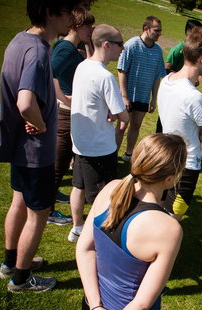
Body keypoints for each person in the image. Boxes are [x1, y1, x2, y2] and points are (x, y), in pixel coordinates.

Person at [64, 133, 186, 310]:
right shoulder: (168, 229)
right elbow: (142, 302)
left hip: (94, 303)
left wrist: (96, 307)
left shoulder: (111, 188)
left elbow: (85, 248)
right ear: (170, 179)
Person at [0, 0, 78, 292]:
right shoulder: (39, 51)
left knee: (19, 202)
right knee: (39, 213)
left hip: (19, 147)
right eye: (67, 10)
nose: (71, 16)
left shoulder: (19, 40)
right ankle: (21, 278)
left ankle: (10, 263)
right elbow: (25, 101)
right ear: (50, 13)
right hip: (35, 152)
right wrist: (41, 124)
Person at [68, 24, 129, 243]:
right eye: (120, 44)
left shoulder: (82, 66)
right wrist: (119, 113)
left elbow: (91, 102)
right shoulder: (105, 77)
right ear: (106, 45)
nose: (122, 49)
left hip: (80, 142)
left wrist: (110, 111)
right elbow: (123, 116)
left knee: (78, 186)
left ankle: (76, 227)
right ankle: (96, 238)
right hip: (100, 147)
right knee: (101, 198)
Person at [158, 27, 202, 221]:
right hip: (186, 166)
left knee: (157, 207)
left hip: (164, 157)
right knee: (172, 219)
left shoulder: (166, 81)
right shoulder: (194, 97)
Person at [49, 7, 95, 225]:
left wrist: (86, 44)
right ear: (77, 26)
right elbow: (49, 74)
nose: (92, 29)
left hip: (68, 113)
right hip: (65, 113)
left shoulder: (70, 47)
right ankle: (48, 211)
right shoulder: (66, 49)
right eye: (88, 26)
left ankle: (50, 200)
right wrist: (65, 98)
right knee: (59, 163)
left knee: (61, 161)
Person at [116, 16, 165, 162]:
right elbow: (121, 70)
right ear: (146, 29)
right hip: (128, 95)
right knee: (122, 125)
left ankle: (129, 153)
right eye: (156, 31)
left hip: (143, 96)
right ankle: (112, 156)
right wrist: (124, 96)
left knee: (136, 125)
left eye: (160, 31)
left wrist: (154, 98)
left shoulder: (158, 51)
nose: (159, 34)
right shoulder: (131, 45)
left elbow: (158, 76)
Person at [156, 19, 202, 134]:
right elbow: (166, 68)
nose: (200, 35)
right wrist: (183, 79)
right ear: (188, 31)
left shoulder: (195, 51)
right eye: (197, 32)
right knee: (164, 124)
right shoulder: (177, 50)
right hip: (173, 93)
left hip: (186, 95)